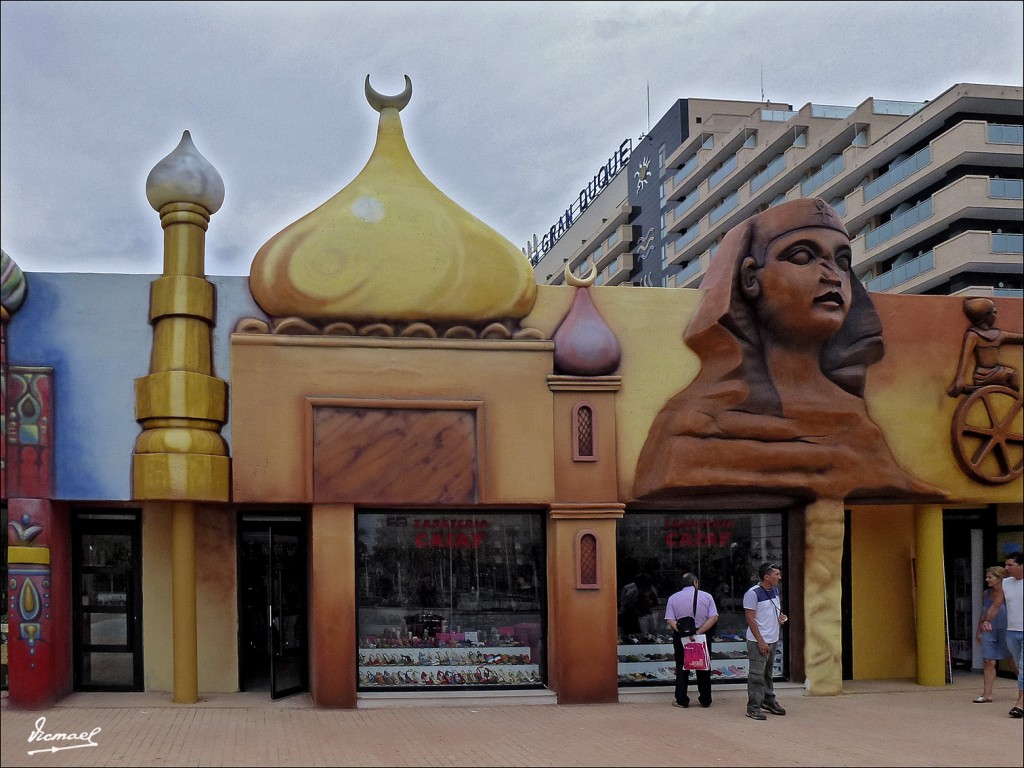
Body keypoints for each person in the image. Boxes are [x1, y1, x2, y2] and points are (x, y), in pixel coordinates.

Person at [634, 197, 938, 504]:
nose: (832, 275)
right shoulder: (692, 417)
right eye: (803, 256)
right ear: (750, 278)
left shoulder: (856, 418)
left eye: (842, 261)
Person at [947, 296, 1023, 396]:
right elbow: (965, 358)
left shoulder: (998, 334)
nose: (996, 315)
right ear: (986, 315)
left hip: (994, 372)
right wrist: (959, 379)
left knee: (1012, 375)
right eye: (994, 312)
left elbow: (1020, 338)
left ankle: (1008, 399)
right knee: (1013, 374)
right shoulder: (973, 335)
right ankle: (1013, 402)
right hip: (983, 375)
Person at [665, 572, 719, 709]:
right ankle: (705, 699)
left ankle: (682, 699)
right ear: (695, 582)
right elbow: (713, 617)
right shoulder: (706, 597)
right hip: (702, 635)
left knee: (682, 667)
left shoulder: (673, 598)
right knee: (704, 667)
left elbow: (670, 619)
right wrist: (699, 633)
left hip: (681, 636)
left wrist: (681, 631)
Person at [981, 552, 1024, 718]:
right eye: (1005, 565)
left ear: (1021, 565)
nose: (1006, 568)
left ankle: (1020, 704)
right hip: (1012, 631)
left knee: (1023, 668)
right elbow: (997, 605)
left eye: (1010, 565)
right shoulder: (1006, 583)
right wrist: (986, 620)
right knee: (1020, 667)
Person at [744, 562, 787, 720]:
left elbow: (773, 611)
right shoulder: (753, 593)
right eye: (776, 574)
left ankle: (768, 700)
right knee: (756, 674)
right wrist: (761, 641)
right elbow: (750, 618)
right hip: (758, 641)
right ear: (766, 577)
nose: (779, 577)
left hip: (773, 639)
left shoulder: (775, 590)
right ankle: (753, 707)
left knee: (768, 673)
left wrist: (780, 618)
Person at [974, 566, 1015, 703]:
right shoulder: (986, 594)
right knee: (988, 661)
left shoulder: (1008, 593)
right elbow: (984, 612)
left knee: (1011, 661)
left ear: (1000, 578)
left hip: (1006, 629)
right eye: (987, 577)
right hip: (989, 630)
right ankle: (987, 694)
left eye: (990, 577)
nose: (987, 579)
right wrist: (979, 631)